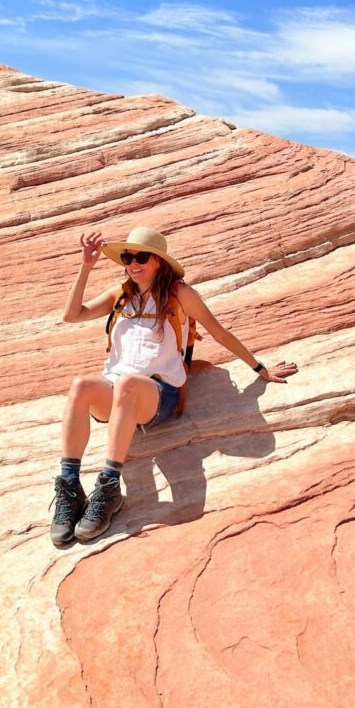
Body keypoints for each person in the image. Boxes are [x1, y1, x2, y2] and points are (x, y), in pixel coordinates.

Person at [50, 225, 298, 546]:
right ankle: (70, 487)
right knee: (82, 385)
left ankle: (109, 487)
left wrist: (260, 369)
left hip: (159, 395)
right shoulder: (121, 294)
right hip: (118, 392)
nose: (133, 264)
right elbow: (72, 315)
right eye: (128, 257)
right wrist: (86, 266)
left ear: (159, 262)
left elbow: (219, 332)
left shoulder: (181, 295)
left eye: (141, 257)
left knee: (126, 384)